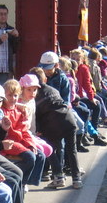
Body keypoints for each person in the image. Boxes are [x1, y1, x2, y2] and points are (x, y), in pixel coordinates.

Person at [34, 52, 83, 189]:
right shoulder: (50, 87)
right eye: (44, 68)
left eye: (48, 68)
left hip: (54, 120)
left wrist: (39, 128)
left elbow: (66, 100)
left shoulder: (60, 80)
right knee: (68, 149)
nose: (46, 70)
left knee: (52, 148)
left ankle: (59, 176)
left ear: (56, 65)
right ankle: (75, 179)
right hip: (66, 119)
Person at [1, 78, 46, 186]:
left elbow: (24, 131)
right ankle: (21, 182)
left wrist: (30, 145)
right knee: (30, 156)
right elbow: (10, 133)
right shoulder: (2, 111)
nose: (13, 98)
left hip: (18, 141)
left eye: (15, 95)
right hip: (9, 142)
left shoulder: (19, 111)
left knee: (40, 155)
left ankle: (28, 182)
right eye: (9, 95)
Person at [0, 4, 19, 83]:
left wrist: (16, 37)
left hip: (5, 70)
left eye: (5, 14)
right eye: (1, 14)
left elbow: (15, 50)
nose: (3, 16)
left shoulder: (11, 30)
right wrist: (0, 40)